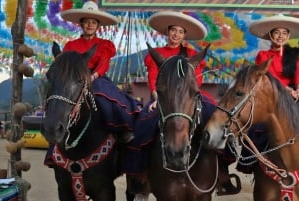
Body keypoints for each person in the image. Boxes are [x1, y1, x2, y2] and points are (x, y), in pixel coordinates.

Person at [122, 11, 238, 196]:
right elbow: (153, 78)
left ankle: (223, 173)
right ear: (167, 33)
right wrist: (156, 97)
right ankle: (141, 173)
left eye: (180, 31)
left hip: (190, 97)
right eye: (173, 30)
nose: (176, 34)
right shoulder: (158, 54)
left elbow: (194, 82)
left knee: (217, 121)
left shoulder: (192, 54)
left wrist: (189, 96)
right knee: (143, 123)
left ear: (184, 35)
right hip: (163, 98)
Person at [59, 1, 141, 143]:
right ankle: (54, 131)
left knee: (103, 94)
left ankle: (120, 129)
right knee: (58, 96)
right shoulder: (71, 45)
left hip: (96, 76)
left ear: (98, 25)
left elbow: (103, 64)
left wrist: (92, 77)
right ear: (81, 24)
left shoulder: (104, 45)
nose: (90, 25)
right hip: (74, 78)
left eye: (93, 22)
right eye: (87, 22)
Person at [235, 14, 299, 174]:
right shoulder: (263, 55)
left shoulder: (294, 54)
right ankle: (249, 163)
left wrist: (298, 89)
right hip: (272, 95)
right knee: (257, 128)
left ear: (288, 36)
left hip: (294, 95)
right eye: (277, 33)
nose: (280, 36)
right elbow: (269, 75)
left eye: (284, 33)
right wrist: (287, 90)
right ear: (270, 35)